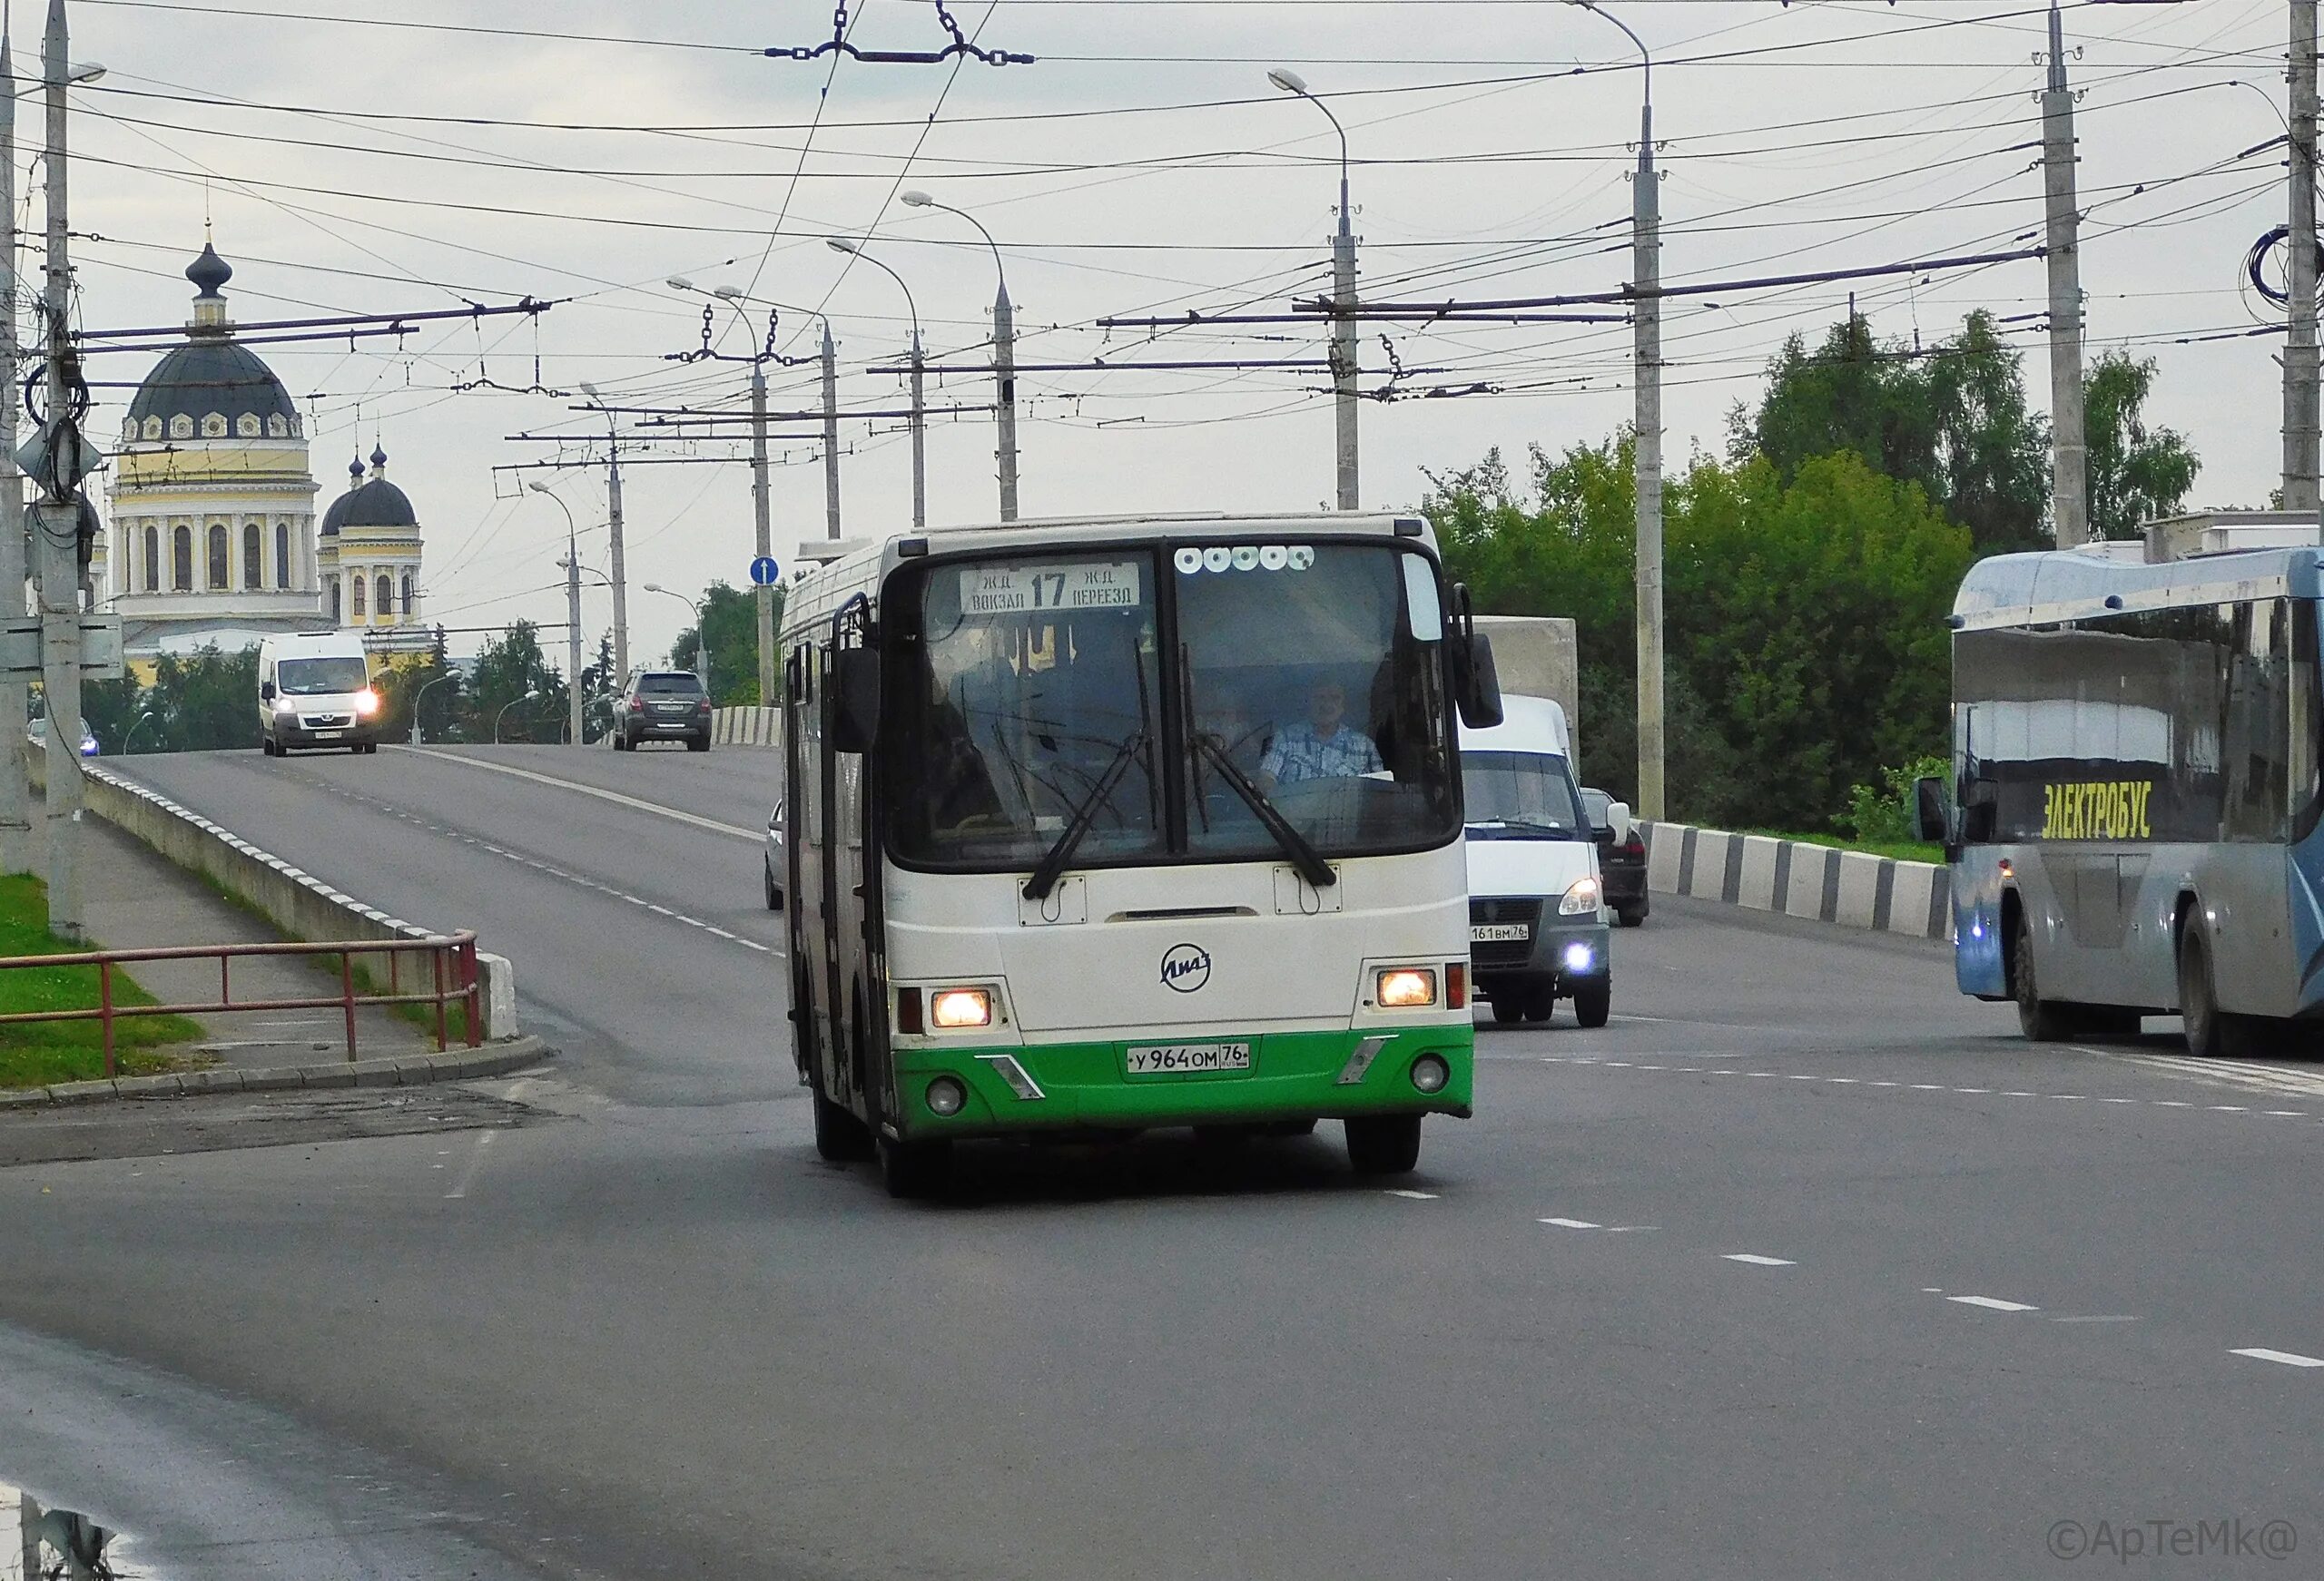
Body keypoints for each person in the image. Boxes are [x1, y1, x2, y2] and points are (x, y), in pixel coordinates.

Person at [1258, 679, 1382, 790]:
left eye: (1335, 698)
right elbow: (1266, 780)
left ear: (1344, 706)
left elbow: (1379, 792)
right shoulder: (1285, 738)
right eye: (1320, 697)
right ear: (1308, 702)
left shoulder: (1365, 746)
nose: (1327, 704)